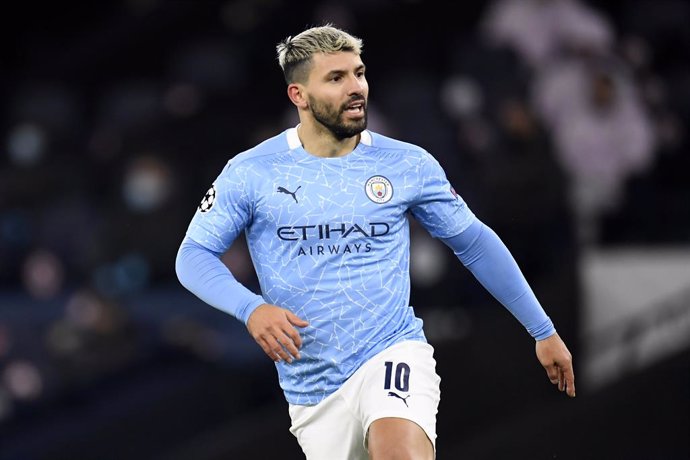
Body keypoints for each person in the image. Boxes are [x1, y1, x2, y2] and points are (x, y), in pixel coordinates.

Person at [175, 24, 575, 460]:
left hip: (391, 351)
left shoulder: (405, 163)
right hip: (313, 390)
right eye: (336, 78)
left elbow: (474, 242)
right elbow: (193, 255)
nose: (356, 88)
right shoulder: (252, 172)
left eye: (359, 73)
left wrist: (542, 329)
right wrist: (250, 309)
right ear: (299, 96)